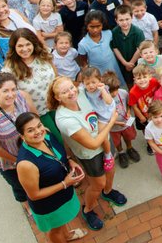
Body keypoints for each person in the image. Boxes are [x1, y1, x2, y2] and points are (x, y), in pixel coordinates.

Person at [49, 76, 127, 231]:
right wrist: (112, 120)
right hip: (90, 154)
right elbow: (92, 145)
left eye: (71, 87)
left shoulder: (82, 94)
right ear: (58, 98)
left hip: (104, 139)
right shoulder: (65, 119)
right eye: (65, 92)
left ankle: (108, 192)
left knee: (111, 171)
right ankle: (88, 209)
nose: (71, 93)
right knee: (97, 184)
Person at [14, 111, 91, 243]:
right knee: (55, 229)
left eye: (39, 126)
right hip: (48, 204)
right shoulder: (25, 164)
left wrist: (70, 161)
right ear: (22, 136)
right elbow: (34, 195)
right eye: (30, 130)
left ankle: (67, 235)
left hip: (64, 191)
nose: (38, 131)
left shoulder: (46, 135)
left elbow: (59, 155)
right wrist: (65, 184)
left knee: (61, 222)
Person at [0, 72, 35, 204]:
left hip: (31, 150)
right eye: (5, 91)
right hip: (10, 162)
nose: (11, 94)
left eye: (13, 89)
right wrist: (18, 161)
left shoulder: (22, 97)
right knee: (20, 187)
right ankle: (26, 205)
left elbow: (35, 119)